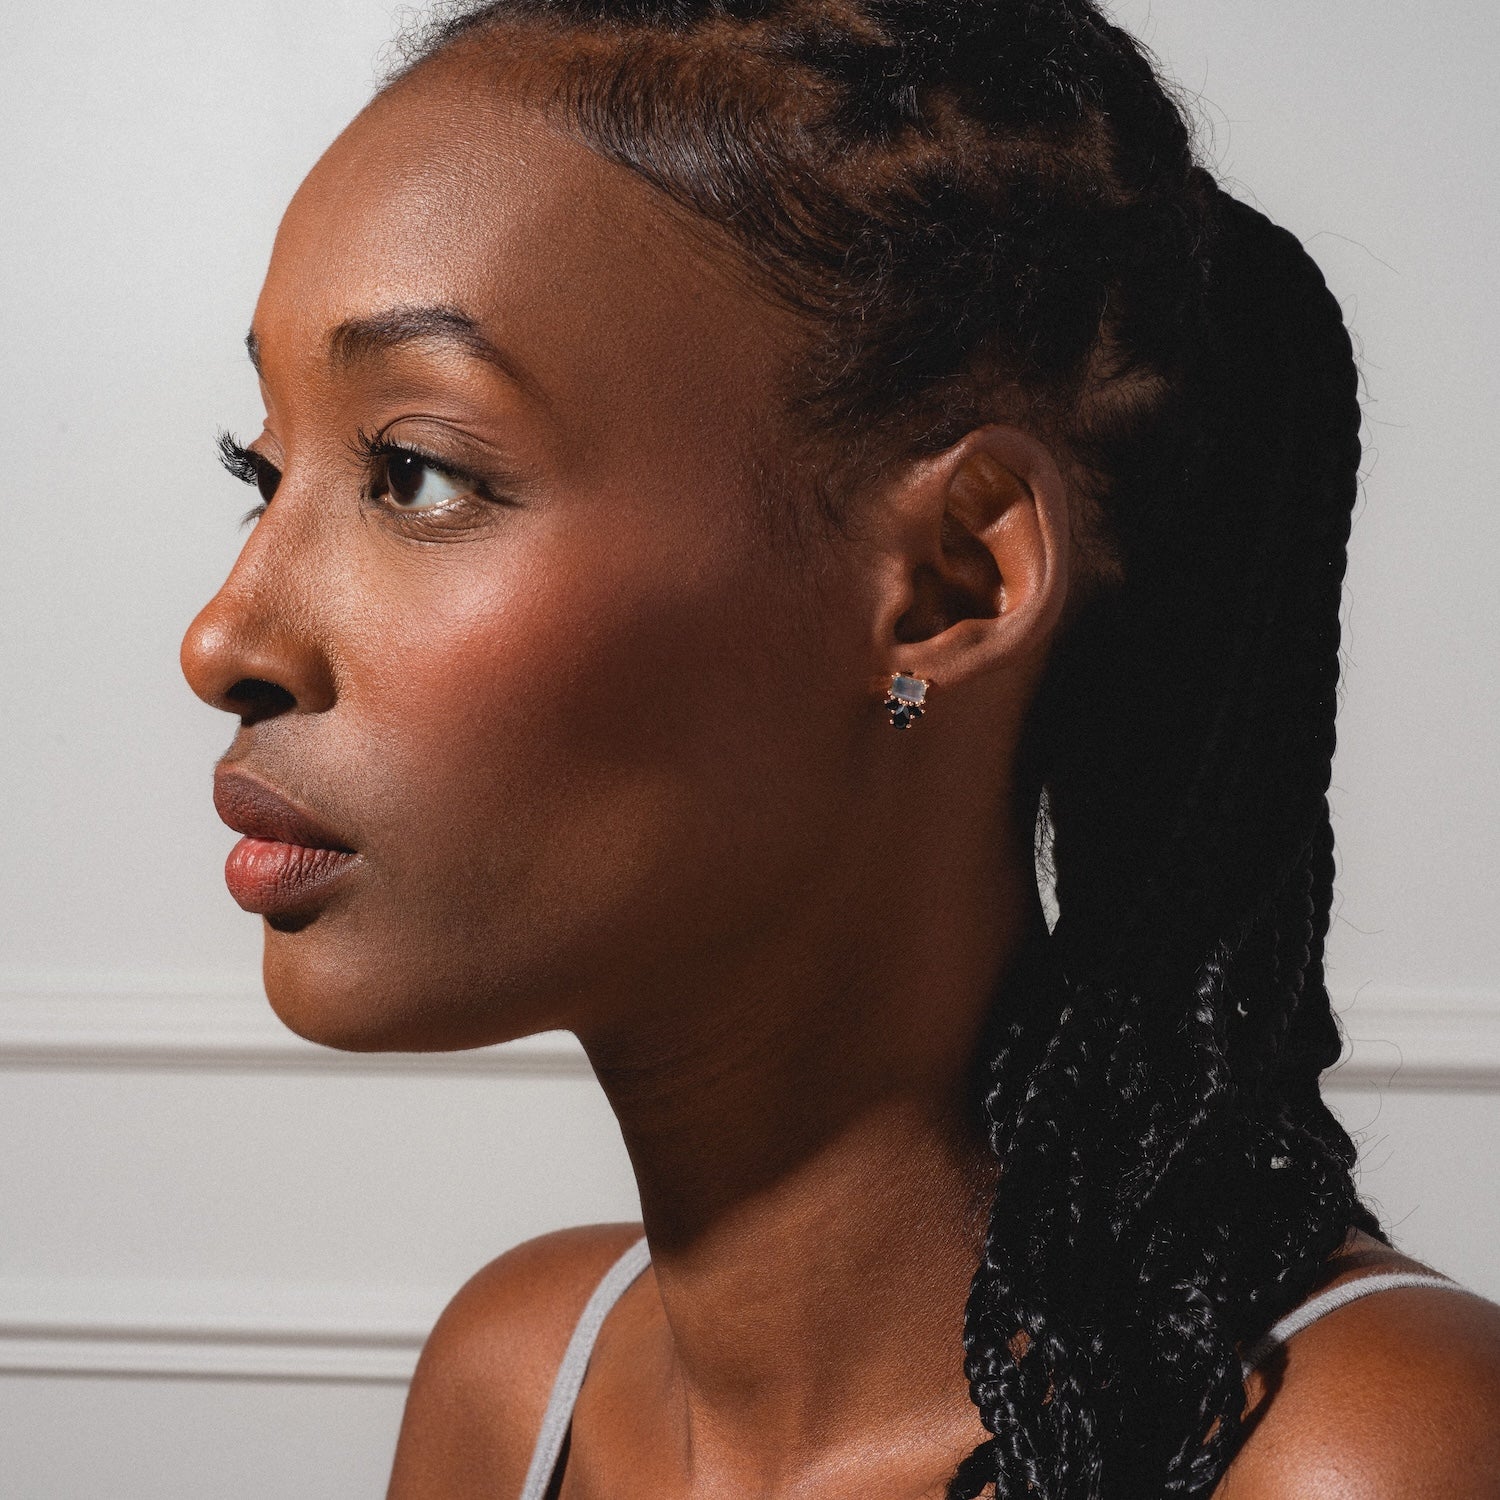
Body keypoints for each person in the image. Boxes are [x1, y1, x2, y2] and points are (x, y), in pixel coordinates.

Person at [179, 2, 1500, 1495]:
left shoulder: (1367, 1452)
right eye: (263, 469)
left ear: (952, 580)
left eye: (416, 472)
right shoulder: (517, 1384)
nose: (222, 641)